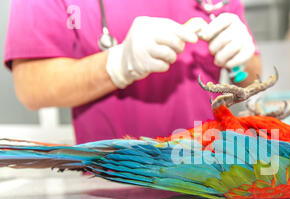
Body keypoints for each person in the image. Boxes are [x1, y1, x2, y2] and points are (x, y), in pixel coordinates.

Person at [4, 0, 261, 144]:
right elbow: (31, 87)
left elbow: (251, 79)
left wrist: (243, 58)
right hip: (113, 180)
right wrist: (116, 65)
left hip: (208, 174)